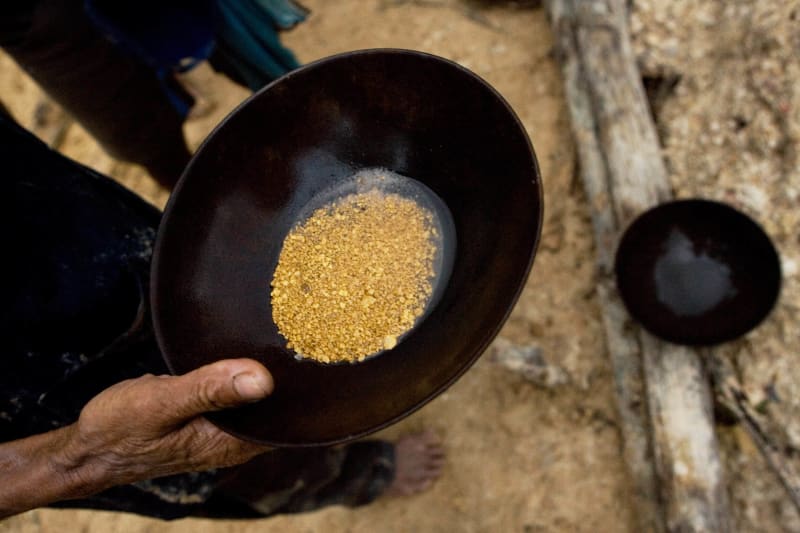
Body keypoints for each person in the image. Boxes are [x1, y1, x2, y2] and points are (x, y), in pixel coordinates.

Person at [0, 0, 445, 522]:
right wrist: (76, 459)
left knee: (182, 286)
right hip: (29, 392)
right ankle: (354, 473)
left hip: (55, 218)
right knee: (212, 452)